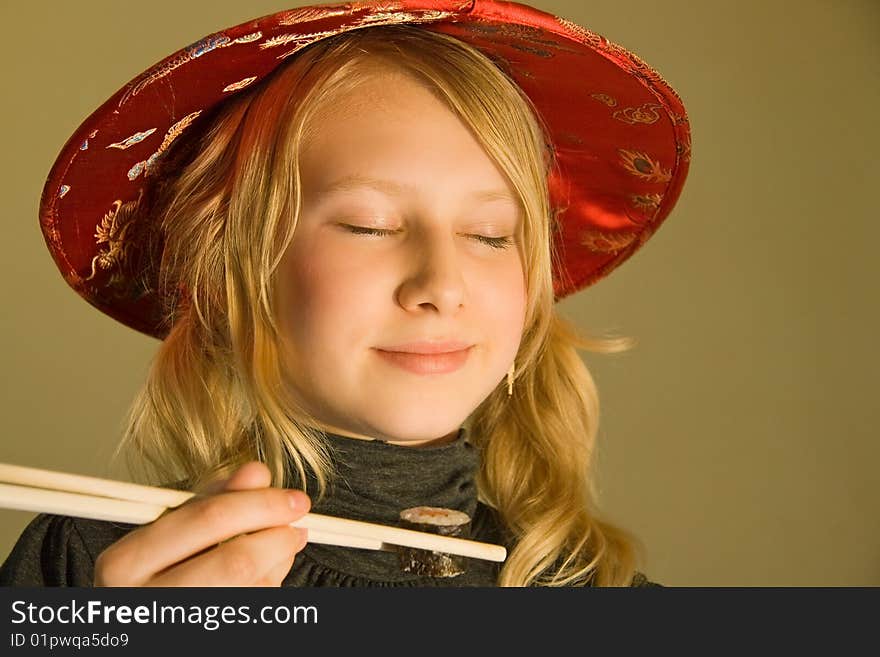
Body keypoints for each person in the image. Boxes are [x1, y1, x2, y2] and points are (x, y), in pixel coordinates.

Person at [0, 0, 690, 587]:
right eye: (370, 224)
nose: (442, 286)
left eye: (489, 233)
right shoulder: (93, 569)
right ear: (231, 272)